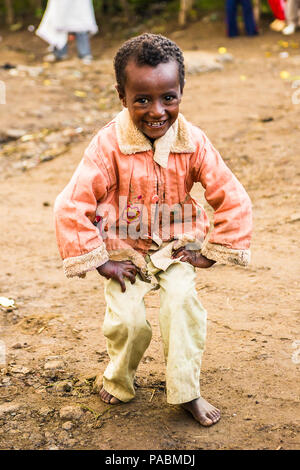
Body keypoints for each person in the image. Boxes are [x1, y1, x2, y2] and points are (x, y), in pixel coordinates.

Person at [54, 34, 252, 427]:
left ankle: (186, 390)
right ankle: (118, 378)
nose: (157, 110)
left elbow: (231, 195)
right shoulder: (107, 145)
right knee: (128, 321)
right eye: (142, 99)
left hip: (175, 248)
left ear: (181, 92)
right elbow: (72, 204)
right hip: (124, 252)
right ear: (121, 96)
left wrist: (211, 250)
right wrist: (102, 262)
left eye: (169, 97)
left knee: (182, 307)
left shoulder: (192, 141)